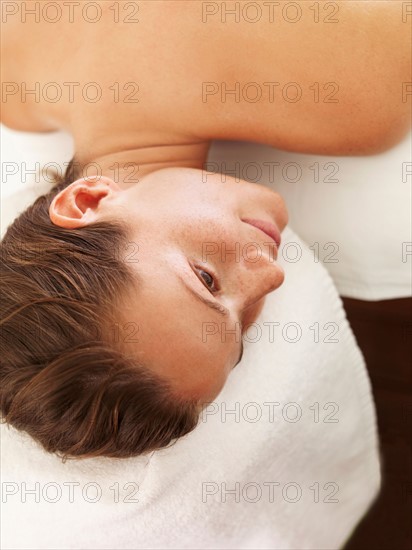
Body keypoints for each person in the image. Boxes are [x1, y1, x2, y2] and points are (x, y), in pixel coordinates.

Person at [1, 0, 410, 459]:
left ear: (87, 200)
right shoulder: (12, 85)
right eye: (239, 336)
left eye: (206, 280)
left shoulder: (356, 93)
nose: (270, 279)